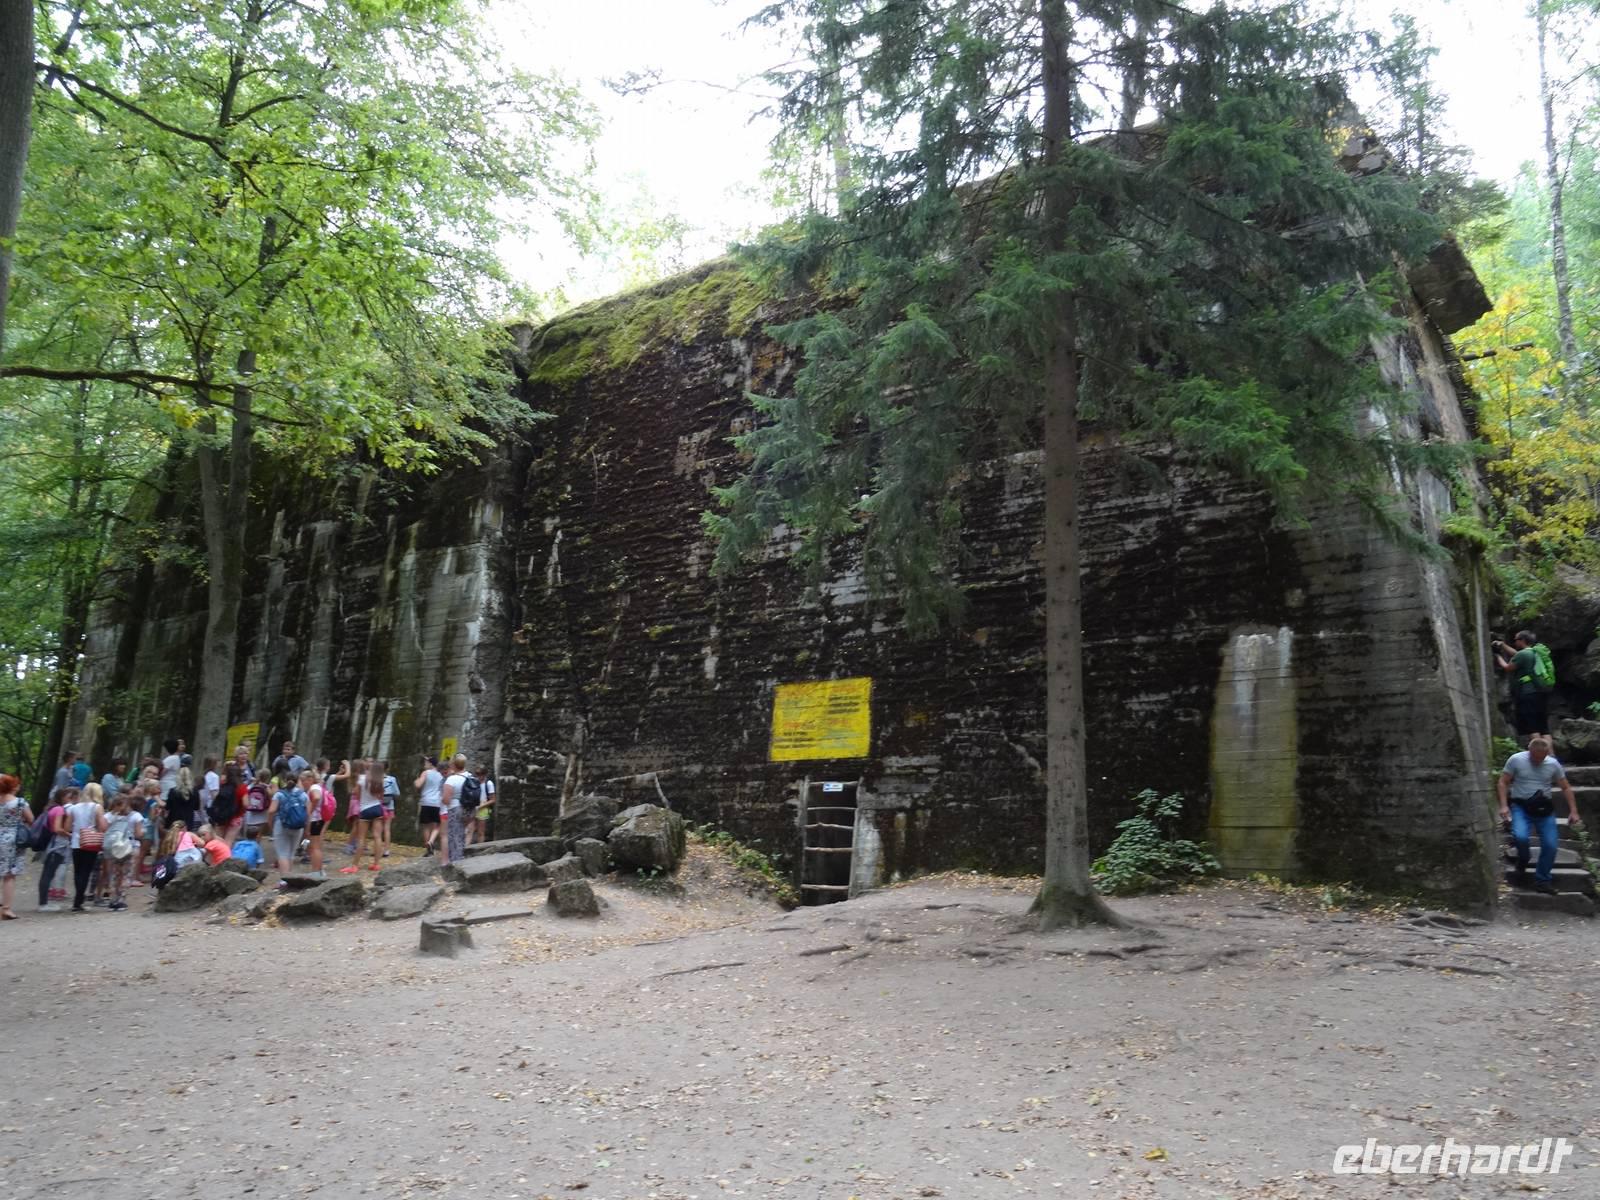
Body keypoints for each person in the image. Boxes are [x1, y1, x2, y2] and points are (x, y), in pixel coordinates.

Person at [1498, 736, 1584, 895]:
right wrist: (1504, 806)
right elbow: (1503, 782)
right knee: (1521, 838)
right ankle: (1523, 859)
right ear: (1528, 751)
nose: (1537, 761)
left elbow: (1565, 787)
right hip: (1521, 807)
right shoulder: (1516, 760)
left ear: (1547, 754)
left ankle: (1542, 881)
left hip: (1544, 809)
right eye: (1534, 758)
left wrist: (1573, 811)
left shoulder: (1552, 764)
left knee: (1551, 846)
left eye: (1541, 758)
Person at [1494, 630, 1552, 742]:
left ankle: (1539, 756)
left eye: (1516, 640)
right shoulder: (1534, 653)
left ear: (1522, 641)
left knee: (1532, 727)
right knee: (1544, 729)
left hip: (1527, 693)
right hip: (1540, 693)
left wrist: (1497, 656)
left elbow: (1507, 667)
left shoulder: (1523, 654)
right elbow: (1516, 654)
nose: (1514, 642)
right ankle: (1551, 757)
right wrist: (1503, 645)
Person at [339, 760, 385, 874]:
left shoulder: (362, 779)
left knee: (361, 838)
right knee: (377, 837)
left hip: (365, 809)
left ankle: (354, 865)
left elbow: (357, 794)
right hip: (377, 808)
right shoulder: (380, 781)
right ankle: (376, 864)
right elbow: (381, 796)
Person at [65, 784, 105, 913]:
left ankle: (78, 899)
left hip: (76, 842)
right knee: (86, 871)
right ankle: (78, 900)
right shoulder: (97, 807)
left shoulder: (74, 808)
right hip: (90, 842)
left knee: (78, 871)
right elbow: (102, 826)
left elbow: (67, 827)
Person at [0, 774, 34, 920]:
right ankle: (6, 908)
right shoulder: (20, 803)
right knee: (9, 874)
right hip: (13, 839)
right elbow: (31, 819)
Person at [99, 794, 139, 911]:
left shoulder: (107, 816)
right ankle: (119, 899)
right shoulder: (131, 816)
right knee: (124, 873)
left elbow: (103, 829)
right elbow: (137, 833)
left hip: (111, 847)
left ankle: (114, 899)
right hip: (125, 847)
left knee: (114, 873)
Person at [36, 788, 71, 911]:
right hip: (56, 845)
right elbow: (56, 828)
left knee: (47, 873)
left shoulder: (52, 808)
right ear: (62, 798)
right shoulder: (60, 809)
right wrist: (68, 834)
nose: (69, 800)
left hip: (51, 844)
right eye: (68, 797)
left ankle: (43, 902)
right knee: (48, 873)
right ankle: (43, 904)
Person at [267, 772, 309, 874]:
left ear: (285, 781)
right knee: (291, 853)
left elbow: (271, 811)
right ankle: (290, 879)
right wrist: (307, 829)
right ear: (297, 781)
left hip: (281, 825)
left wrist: (270, 823)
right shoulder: (303, 795)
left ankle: (284, 880)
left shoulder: (279, 794)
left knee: (282, 854)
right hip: (298, 827)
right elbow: (308, 813)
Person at [439, 754, 473, 866]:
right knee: (462, 834)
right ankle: (461, 857)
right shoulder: (470, 777)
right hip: (469, 809)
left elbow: (446, 800)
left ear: (453, 765)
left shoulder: (451, 779)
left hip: (455, 809)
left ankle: (456, 863)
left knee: (454, 837)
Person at [304, 769, 333, 876]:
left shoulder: (313, 787)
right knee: (316, 846)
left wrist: (310, 811)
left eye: (304, 780)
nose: (302, 783)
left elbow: (316, 798)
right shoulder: (319, 787)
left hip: (315, 819)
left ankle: (315, 871)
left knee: (314, 846)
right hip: (319, 819)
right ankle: (319, 870)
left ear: (310, 779)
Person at [415, 755, 444, 855]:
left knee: (426, 826)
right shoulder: (441, 775)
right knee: (437, 825)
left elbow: (418, 785)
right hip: (437, 803)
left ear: (431, 764)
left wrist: (416, 781)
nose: (425, 764)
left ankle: (428, 848)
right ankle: (431, 842)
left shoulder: (426, 773)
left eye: (426, 762)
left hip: (426, 802)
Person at [166, 766, 201, 834]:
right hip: (188, 821)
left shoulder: (173, 791)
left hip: (174, 820)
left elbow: (168, 807)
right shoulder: (194, 791)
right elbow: (196, 807)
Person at [470, 764, 496, 846]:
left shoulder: (489, 784)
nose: (479, 776)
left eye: (480, 774)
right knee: (470, 829)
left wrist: (480, 807)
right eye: (477, 774)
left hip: (483, 808)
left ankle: (479, 849)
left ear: (485, 774)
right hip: (474, 807)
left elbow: (493, 800)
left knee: (481, 832)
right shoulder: (474, 781)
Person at [380, 761, 399, 857]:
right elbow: (397, 793)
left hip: (378, 807)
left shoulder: (375, 779)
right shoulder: (392, 779)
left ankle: (377, 849)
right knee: (387, 829)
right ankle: (386, 850)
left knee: (378, 830)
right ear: (387, 769)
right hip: (389, 807)